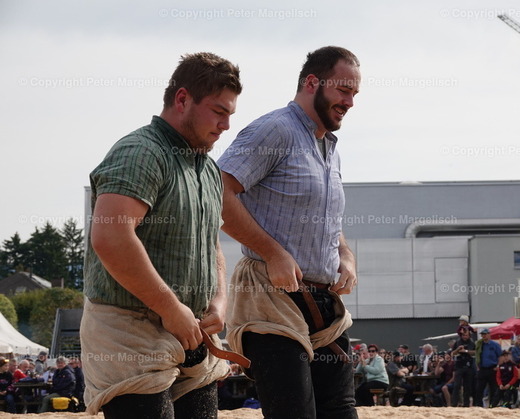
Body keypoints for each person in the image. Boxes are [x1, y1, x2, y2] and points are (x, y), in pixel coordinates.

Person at [80, 52, 242, 419]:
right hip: (129, 330)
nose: (226, 125)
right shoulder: (140, 152)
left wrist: (219, 301)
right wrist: (170, 308)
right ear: (182, 99)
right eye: (218, 112)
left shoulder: (208, 169)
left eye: (230, 114)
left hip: (193, 328)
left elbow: (210, 244)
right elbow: (110, 237)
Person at [218, 46, 360, 419]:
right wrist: (272, 252)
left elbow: (326, 218)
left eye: (354, 94)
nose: (349, 102)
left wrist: (345, 254)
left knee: (341, 412)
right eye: (343, 90)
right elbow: (217, 192)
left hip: (324, 303)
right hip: (268, 297)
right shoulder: (275, 129)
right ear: (312, 82)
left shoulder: (330, 148)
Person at [474, 328, 501, 407]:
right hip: (482, 368)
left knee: (493, 388)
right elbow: (477, 355)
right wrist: (478, 366)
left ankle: (492, 405)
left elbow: (500, 356)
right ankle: (479, 405)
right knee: (479, 388)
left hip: (492, 368)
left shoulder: (495, 345)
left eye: (485, 334)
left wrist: (498, 366)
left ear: (489, 335)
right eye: (482, 334)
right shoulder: (480, 344)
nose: (483, 336)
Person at [451, 329, 475, 407]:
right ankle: (454, 403)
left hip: (468, 365)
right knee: (457, 385)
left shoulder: (471, 343)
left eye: (466, 335)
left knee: (467, 386)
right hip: (459, 365)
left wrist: (466, 351)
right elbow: (452, 353)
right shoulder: (458, 342)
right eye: (463, 335)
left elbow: (475, 352)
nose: (464, 337)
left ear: (469, 335)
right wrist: (458, 349)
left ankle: (466, 404)